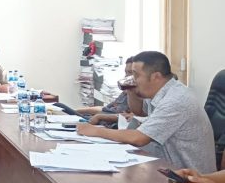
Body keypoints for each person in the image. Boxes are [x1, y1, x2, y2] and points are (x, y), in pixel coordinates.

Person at [77, 51, 216, 172]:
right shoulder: (158, 91)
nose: (133, 79)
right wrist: (131, 90)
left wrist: (96, 131)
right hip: (163, 167)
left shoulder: (177, 100)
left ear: (156, 76)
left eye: (136, 75)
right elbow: (139, 112)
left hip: (190, 178)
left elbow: (139, 138)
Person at [77, 57, 135, 125]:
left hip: (109, 125)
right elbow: (105, 109)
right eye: (126, 72)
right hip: (98, 121)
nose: (126, 76)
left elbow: (131, 117)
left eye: (130, 72)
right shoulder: (125, 93)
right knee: (68, 111)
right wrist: (77, 111)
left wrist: (99, 117)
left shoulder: (140, 97)